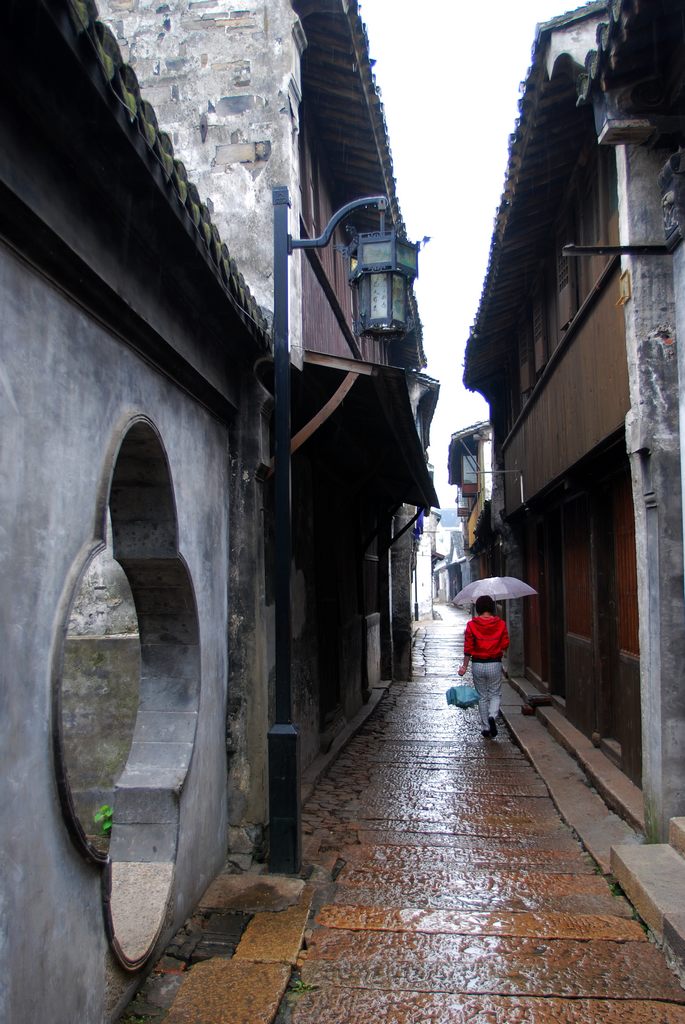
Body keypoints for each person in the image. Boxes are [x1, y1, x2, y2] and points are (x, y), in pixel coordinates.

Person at [457, 595, 509, 739]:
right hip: (494, 663)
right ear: (492, 608)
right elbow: (505, 644)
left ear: (478, 608)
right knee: (495, 693)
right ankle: (493, 715)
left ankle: (486, 727)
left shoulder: (471, 625)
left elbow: (468, 648)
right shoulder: (501, 624)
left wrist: (464, 667)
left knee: (482, 696)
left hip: (478, 664)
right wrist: (500, 651)